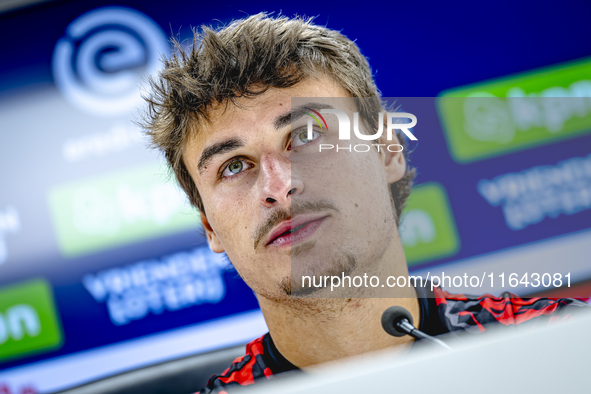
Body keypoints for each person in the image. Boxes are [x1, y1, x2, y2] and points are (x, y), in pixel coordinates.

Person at [140, 13, 589, 393]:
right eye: (234, 166)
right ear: (211, 229)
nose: (279, 185)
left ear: (387, 151)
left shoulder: (567, 348)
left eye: (305, 135)